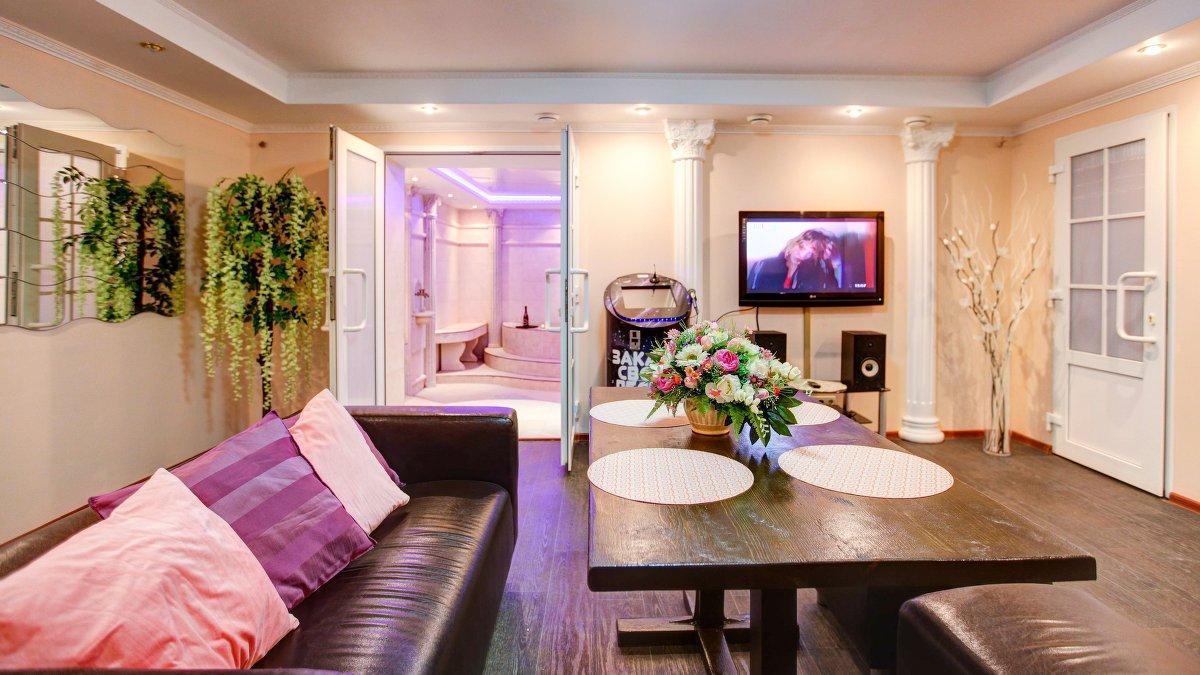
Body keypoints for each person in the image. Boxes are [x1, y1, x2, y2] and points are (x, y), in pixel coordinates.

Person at [748, 229, 840, 292]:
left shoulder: (812, 274)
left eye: (813, 253)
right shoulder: (764, 265)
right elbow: (755, 294)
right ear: (793, 244)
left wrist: (830, 264)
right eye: (802, 246)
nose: (804, 255)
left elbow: (832, 292)